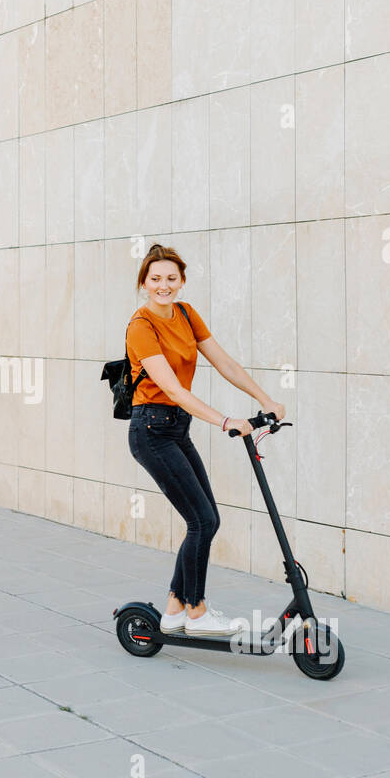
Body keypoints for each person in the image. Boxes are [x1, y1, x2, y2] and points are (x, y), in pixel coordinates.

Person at [125, 243, 286, 636]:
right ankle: (196, 612)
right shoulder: (141, 326)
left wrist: (266, 399)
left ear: (181, 282)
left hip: (177, 428)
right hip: (151, 430)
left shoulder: (185, 313)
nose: (164, 285)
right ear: (144, 284)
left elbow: (224, 362)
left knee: (205, 520)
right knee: (202, 520)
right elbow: (173, 390)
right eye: (155, 279)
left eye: (171, 278)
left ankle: (174, 609)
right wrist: (225, 420)